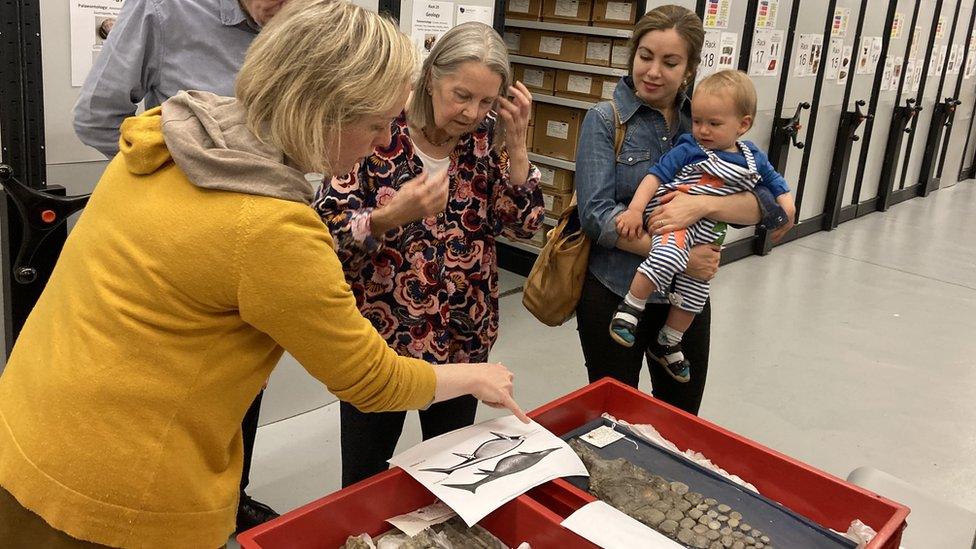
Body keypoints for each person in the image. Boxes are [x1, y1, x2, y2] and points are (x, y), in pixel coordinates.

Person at [0, 3, 528, 548]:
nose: (380, 141)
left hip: (26, 432)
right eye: (374, 125)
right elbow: (371, 381)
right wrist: (474, 378)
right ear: (323, 112)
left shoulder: (164, 135)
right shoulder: (270, 227)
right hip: (116, 496)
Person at [72, 0, 291, 529]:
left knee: (241, 375)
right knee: (165, 392)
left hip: (255, 246)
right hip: (177, 256)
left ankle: (231, 497)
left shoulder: (305, 17)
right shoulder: (166, 8)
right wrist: (168, 196)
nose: (282, 10)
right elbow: (97, 117)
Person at [312, 22, 545, 488]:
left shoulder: (489, 137)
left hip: (463, 336)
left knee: (453, 469)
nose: (471, 112)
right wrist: (385, 218)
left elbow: (524, 224)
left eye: (485, 102)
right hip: (383, 338)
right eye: (461, 95)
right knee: (363, 476)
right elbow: (324, 234)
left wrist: (518, 150)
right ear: (432, 73)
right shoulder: (379, 130)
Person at [574, 5, 796, 415]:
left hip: (684, 302)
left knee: (681, 418)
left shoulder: (709, 119)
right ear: (633, 54)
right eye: (645, 56)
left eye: (670, 62)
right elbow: (596, 216)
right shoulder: (604, 121)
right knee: (613, 418)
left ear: (690, 68)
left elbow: (759, 205)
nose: (653, 71)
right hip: (615, 290)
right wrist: (677, 256)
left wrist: (702, 205)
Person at [611, 70, 793, 382]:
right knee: (667, 257)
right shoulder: (690, 148)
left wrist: (787, 206)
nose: (702, 130)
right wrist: (636, 209)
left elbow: (776, 186)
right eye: (697, 121)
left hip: (709, 235)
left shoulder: (754, 158)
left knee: (696, 291)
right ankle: (630, 308)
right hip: (673, 221)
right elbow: (655, 176)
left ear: (744, 124)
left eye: (714, 124)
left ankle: (668, 341)